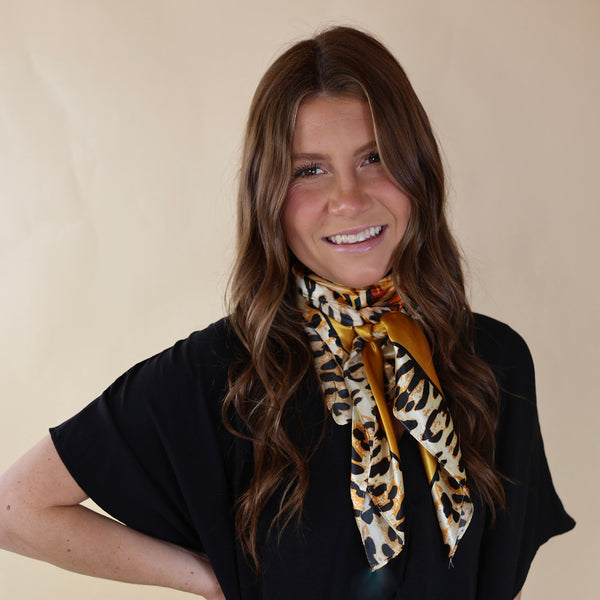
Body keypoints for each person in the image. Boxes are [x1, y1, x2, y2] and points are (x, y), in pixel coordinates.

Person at [0, 26, 574, 600]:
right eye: (310, 170)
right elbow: (15, 507)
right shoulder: (219, 376)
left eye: (375, 158)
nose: (348, 198)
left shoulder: (492, 363)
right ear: (268, 193)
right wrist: (213, 579)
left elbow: (497, 585)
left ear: (417, 171)